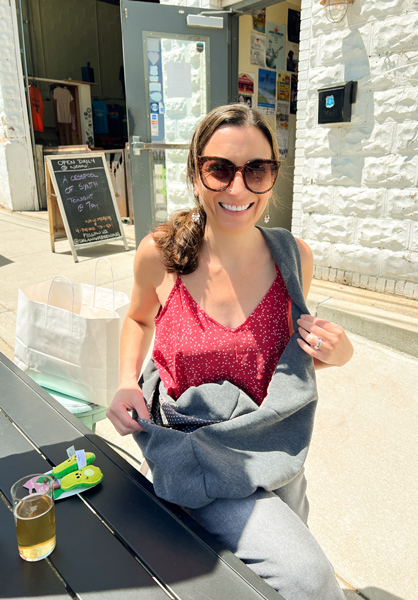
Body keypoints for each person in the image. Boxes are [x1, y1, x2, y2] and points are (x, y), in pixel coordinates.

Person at [107, 104, 353, 600]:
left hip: (275, 440)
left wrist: (338, 352)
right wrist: (126, 380)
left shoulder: (293, 256)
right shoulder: (161, 255)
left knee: (279, 564)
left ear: (272, 177)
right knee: (310, 580)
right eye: (220, 169)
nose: (237, 188)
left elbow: (292, 355)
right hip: (193, 449)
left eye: (256, 170)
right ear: (195, 174)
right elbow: (137, 317)